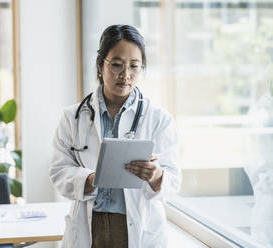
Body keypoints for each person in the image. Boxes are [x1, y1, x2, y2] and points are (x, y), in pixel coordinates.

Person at [49, 24, 181, 248]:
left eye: (134, 66)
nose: (126, 75)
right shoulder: (73, 117)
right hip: (90, 227)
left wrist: (156, 175)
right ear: (101, 66)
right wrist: (89, 180)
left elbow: (174, 181)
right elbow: (58, 172)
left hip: (138, 229)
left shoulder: (158, 118)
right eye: (117, 65)